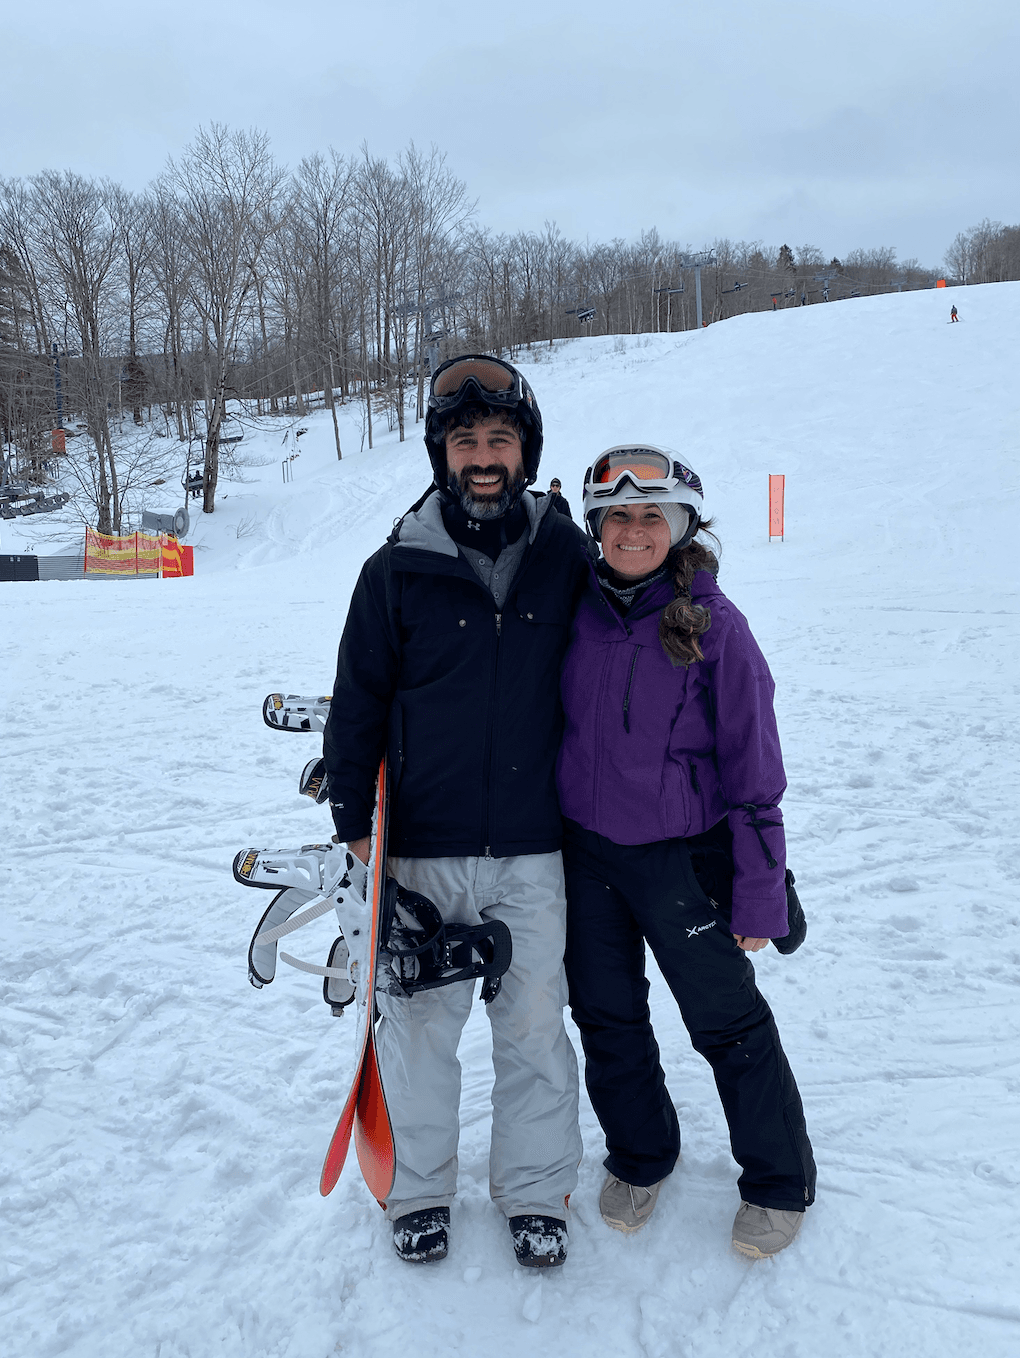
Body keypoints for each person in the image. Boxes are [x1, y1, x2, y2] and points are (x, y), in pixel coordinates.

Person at [323, 355, 591, 1269]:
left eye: (500, 440)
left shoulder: (565, 552)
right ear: (442, 453)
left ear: (525, 450)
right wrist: (355, 818)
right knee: (422, 1030)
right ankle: (419, 1190)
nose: (485, 456)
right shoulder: (396, 569)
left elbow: (620, 644)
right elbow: (358, 697)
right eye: (467, 440)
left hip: (531, 842)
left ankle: (534, 1190)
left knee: (532, 1025)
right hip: (423, 846)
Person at [556, 444, 816, 1258]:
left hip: (680, 860)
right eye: (619, 516)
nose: (634, 530)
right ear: (597, 526)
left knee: (726, 1023)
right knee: (605, 1015)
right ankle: (641, 1154)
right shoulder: (578, 608)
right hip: (587, 857)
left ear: (680, 526)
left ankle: (777, 1179)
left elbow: (755, 771)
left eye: (652, 516)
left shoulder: (718, 628)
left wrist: (759, 890)